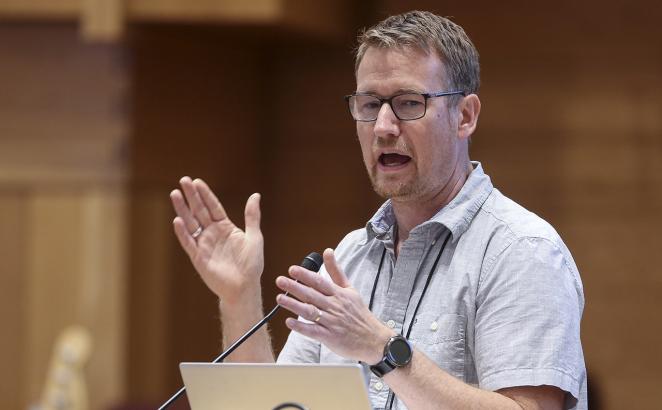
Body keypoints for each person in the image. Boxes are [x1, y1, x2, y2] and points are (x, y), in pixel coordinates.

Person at [169, 10, 587, 410]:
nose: (384, 127)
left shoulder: (521, 252)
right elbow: (271, 405)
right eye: (370, 105)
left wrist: (382, 349)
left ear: (464, 116)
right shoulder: (348, 258)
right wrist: (240, 298)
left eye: (409, 103)